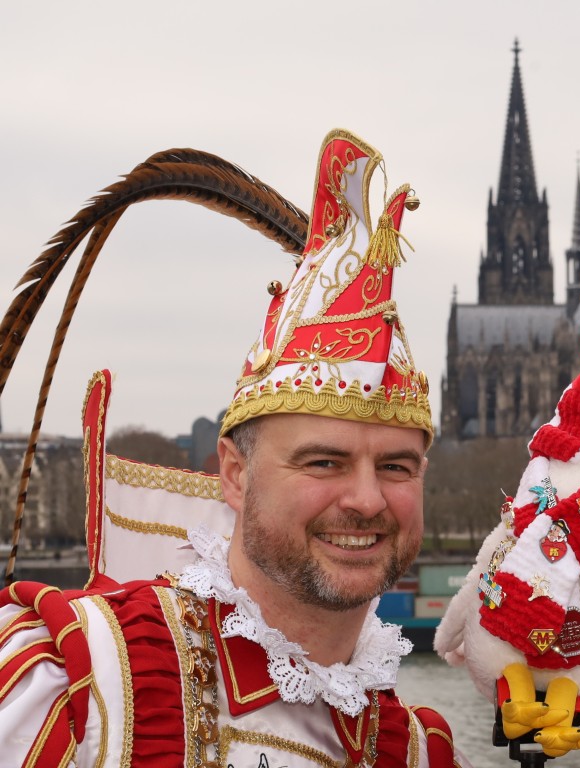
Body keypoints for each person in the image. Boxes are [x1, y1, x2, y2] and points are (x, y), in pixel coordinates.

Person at [0, 129, 467, 766]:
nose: (366, 500)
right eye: (323, 461)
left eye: (395, 467)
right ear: (235, 474)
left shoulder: (416, 749)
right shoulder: (84, 682)